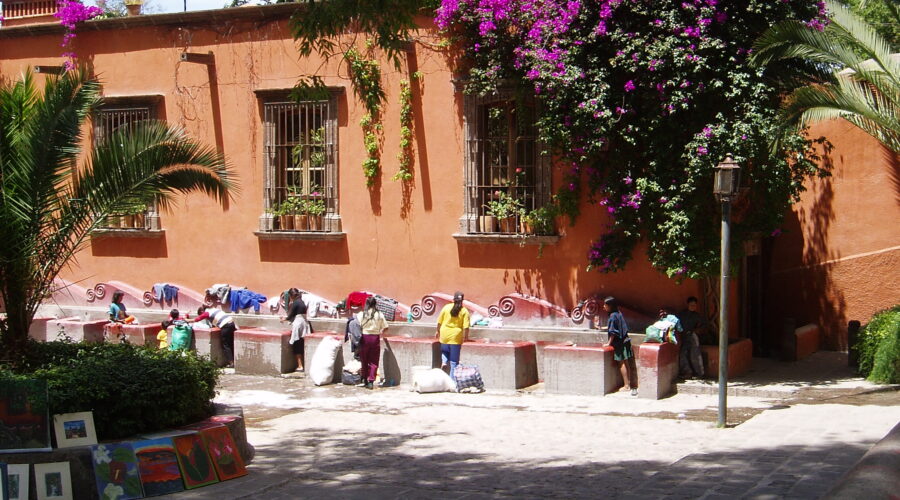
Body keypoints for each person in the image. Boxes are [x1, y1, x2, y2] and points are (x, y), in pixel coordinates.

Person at [603, 296, 638, 396]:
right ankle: (630, 384)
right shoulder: (618, 313)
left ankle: (626, 385)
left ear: (609, 306)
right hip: (625, 341)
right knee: (626, 362)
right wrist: (601, 327)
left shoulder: (613, 316)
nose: (604, 307)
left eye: (605, 305)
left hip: (619, 343)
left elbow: (613, 332)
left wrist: (608, 343)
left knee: (621, 363)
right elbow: (613, 327)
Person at [435, 291, 470, 381]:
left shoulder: (446, 307)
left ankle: (444, 362)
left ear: (453, 299)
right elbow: (466, 327)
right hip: (455, 337)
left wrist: (437, 331)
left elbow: (439, 322)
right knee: (454, 362)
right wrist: (466, 337)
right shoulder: (464, 311)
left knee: (445, 350)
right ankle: (452, 382)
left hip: (444, 334)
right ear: (462, 300)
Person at [356, 296, 388, 389]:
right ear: (375, 304)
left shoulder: (362, 314)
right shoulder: (379, 314)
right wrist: (381, 332)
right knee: (374, 361)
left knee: (364, 360)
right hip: (375, 338)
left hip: (364, 338)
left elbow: (356, 324)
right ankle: (371, 381)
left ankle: (365, 379)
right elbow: (386, 327)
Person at [280, 288, 310, 373]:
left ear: (291, 295)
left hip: (298, 325)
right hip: (304, 324)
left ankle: (300, 366)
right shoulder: (302, 302)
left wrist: (283, 319)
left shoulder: (296, 303)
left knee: (297, 346)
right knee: (301, 344)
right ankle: (302, 365)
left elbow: (290, 316)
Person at [677, 296, 706, 379]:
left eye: (694, 305)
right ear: (688, 304)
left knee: (695, 354)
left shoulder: (697, 316)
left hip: (692, 336)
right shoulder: (682, 314)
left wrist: (695, 331)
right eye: (691, 305)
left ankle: (700, 374)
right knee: (683, 354)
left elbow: (704, 325)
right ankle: (687, 373)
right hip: (684, 336)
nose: (693, 307)